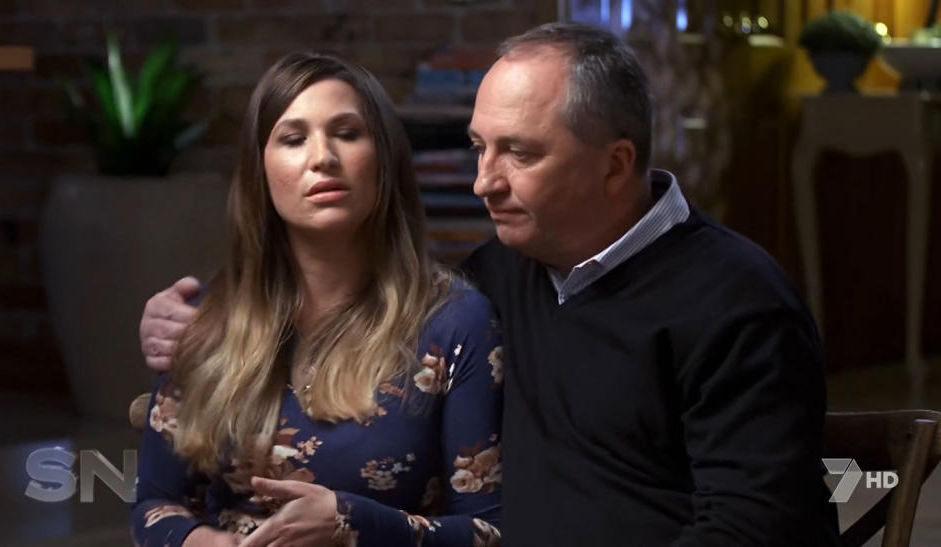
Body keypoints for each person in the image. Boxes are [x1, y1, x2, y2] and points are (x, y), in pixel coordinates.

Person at [140, 23, 841, 546]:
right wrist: (183, 317)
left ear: (615, 164)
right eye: (480, 148)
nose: (484, 182)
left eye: (520, 153)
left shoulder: (738, 301)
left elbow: (754, 527)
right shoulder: (502, 274)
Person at [131, 52, 503, 547]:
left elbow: (488, 534)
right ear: (260, 171)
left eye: (347, 133)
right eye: (293, 138)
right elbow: (154, 505)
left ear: (385, 160)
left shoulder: (456, 323)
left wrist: (351, 522)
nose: (322, 157)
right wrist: (202, 542)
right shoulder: (203, 317)